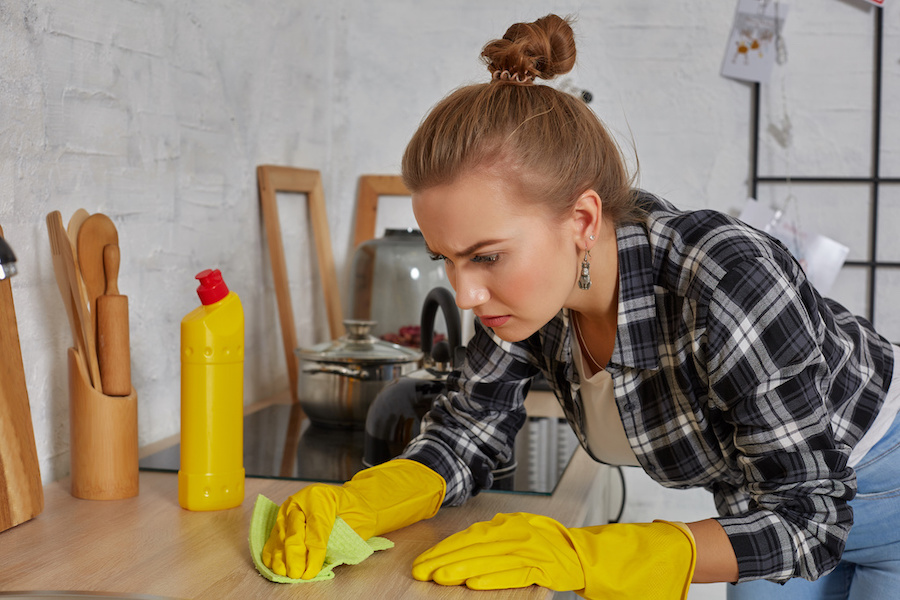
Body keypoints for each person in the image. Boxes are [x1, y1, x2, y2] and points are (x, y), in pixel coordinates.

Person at [263, 14, 900, 600]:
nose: (465, 294)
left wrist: (594, 555)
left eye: (485, 256)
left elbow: (810, 519)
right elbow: (471, 429)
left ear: (583, 219)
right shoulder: (528, 297)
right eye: (445, 259)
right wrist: (359, 503)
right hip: (768, 500)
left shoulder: (727, 277)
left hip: (878, 481)